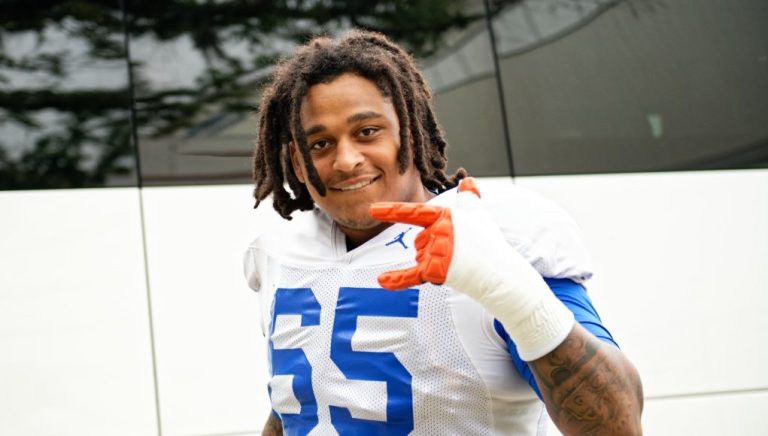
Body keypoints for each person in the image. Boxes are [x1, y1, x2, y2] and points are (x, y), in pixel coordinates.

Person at [244, 29, 643, 435]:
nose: (346, 161)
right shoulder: (282, 252)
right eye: (321, 144)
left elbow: (619, 426)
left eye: (367, 132)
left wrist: (518, 296)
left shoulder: (494, 232)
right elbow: (298, 407)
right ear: (296, 160)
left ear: (411, 131)